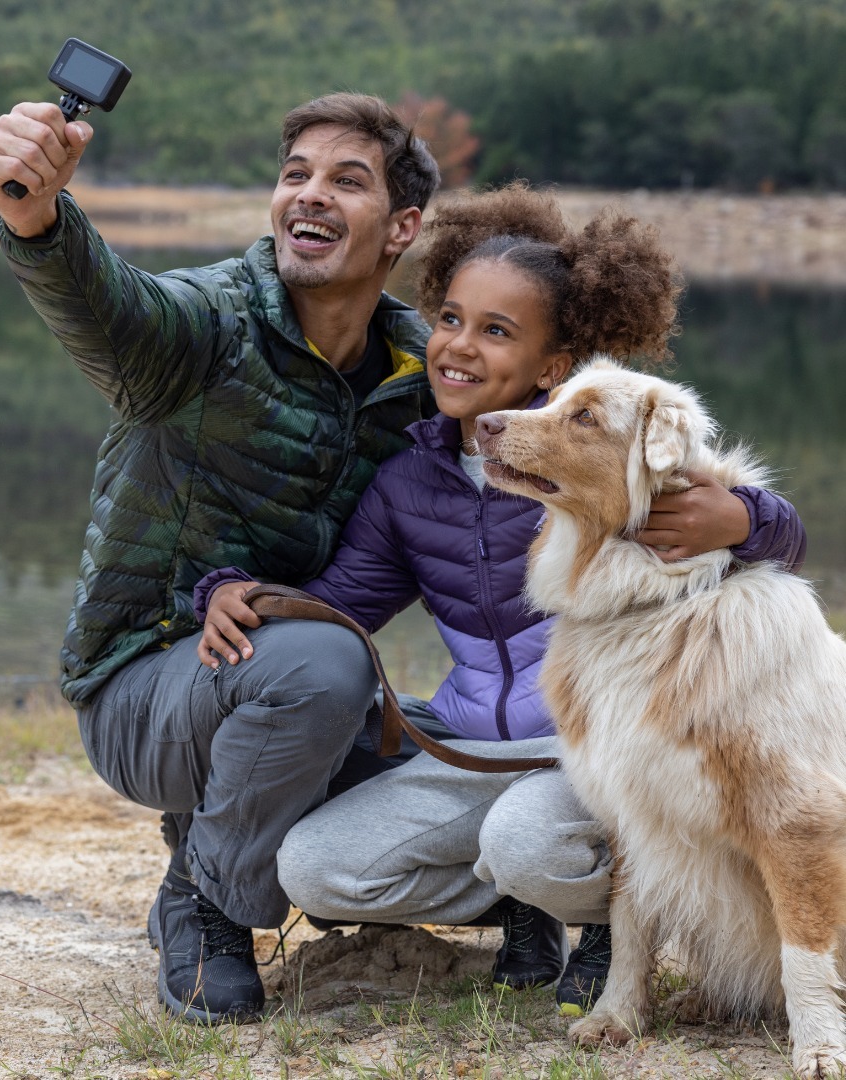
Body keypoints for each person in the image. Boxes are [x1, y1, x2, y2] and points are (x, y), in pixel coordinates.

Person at [195, 182, 807, 1016]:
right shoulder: (410, 481)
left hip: (589, 755)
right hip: (471, 749)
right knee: (317, 870)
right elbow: (341, 603)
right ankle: (524, 903)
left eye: (496, 331)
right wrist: (234, 591)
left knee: (528, 842)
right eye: (450, 319)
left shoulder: (605, 458)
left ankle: (607, 923)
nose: (458, 346)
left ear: (553, 368)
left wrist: (752, 518)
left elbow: (750, 526)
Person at [0, 91, 445, 1022]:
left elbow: (551, 443)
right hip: (143, 690)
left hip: (278, 684)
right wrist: (36, 217)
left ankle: (228, 846)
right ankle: (210, 904)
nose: (310, 194)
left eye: (346, 181)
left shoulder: (418, 375)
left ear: (402, 227)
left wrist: (734, 520)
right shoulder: (206, 325)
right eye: (295, 174)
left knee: (460, 745)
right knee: (329, 665)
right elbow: (108, 306)